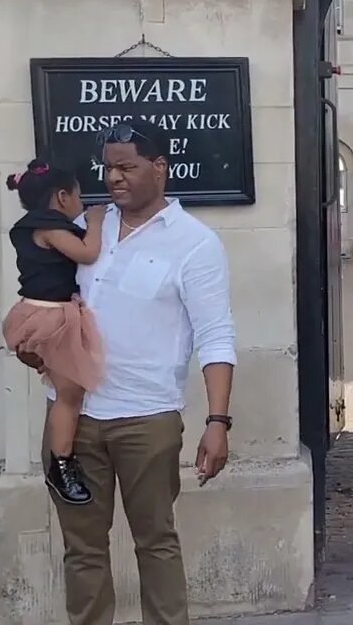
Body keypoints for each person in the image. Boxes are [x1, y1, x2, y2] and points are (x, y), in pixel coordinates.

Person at [19, 118, 238, 625]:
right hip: (72, 418)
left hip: (146, 419)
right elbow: (47, 295)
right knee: (82, 549)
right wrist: (37, 345)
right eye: (107, 168)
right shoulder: (84, 227)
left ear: (160, 168)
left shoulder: (195, 243)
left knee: (155, 541)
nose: (113, 177)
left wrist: (217, 421)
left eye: (126, 167)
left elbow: (215, 334)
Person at [2, 159, 105, 506]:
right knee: (70, 393)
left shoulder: (29, 227)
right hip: (51, 317)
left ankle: (61, 461)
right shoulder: (49, 227)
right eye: (79, 196)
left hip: (40, 312)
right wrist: (95, 222)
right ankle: (61, 464)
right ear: (62, 197)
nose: (82, 203)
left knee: (67, 389)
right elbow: (87, 254)